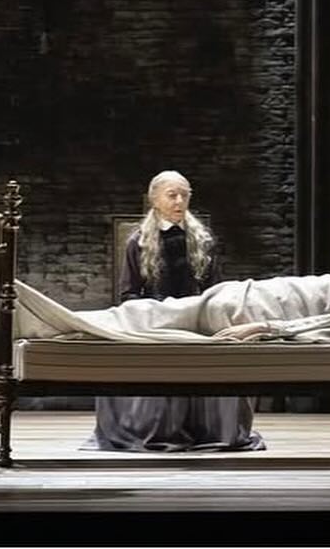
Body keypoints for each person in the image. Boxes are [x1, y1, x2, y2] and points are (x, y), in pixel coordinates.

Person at [84, 170, 265, 453]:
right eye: (172, 195)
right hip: (157, 324)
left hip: (196, 321)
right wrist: (148, 318)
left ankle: (212, 429)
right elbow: (129, 294)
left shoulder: (203, 240)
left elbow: (216, 290)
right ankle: (154, 428)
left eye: (184, 195)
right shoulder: (138, 242)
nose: (179, 201)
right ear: (155, 199)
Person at [18, 238, 330, 346]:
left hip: (249, 312)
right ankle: (48, 323)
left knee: (141, 319)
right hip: (242, 301)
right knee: (141, 317)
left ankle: (43, 321)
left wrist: (263, 329)